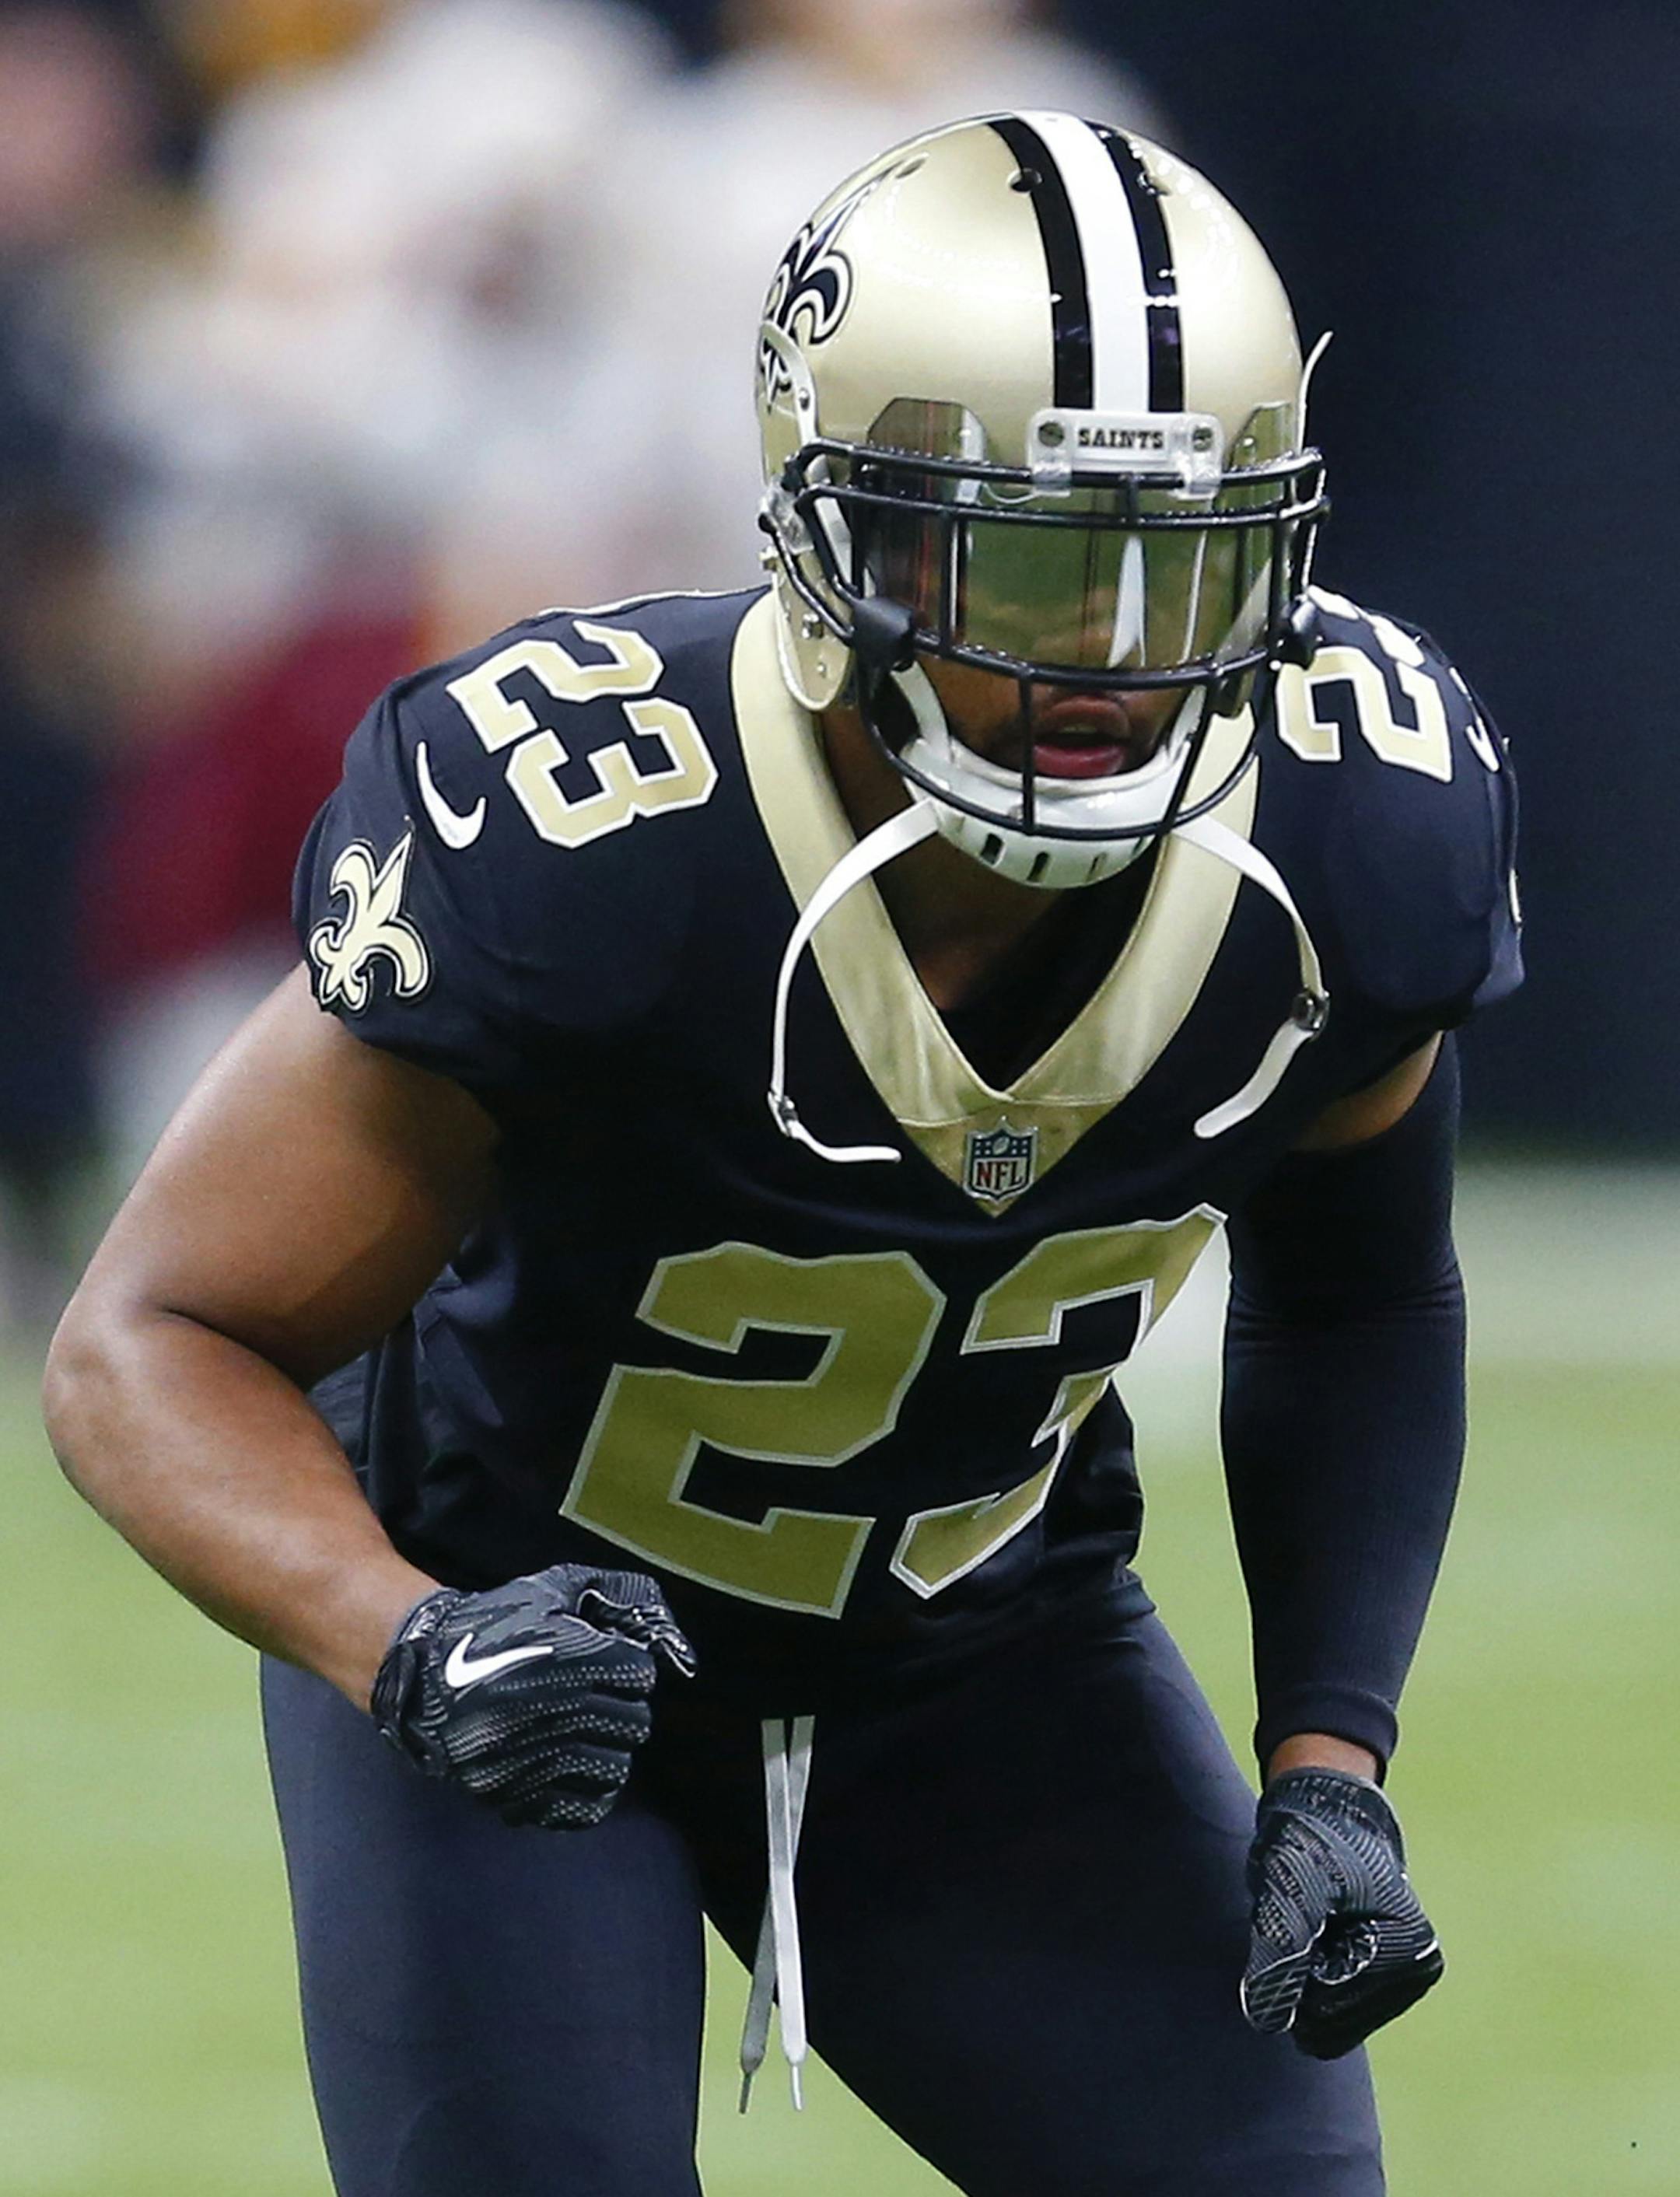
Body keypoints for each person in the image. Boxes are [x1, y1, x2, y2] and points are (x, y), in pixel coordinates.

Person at [44, 114, 1521, 2197]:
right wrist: (406, 1639)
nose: (1108, 657)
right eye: (1026, 562)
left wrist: (1330, 1760)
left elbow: (1366, 1286)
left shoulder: (1355, 824)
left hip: (988, 1652)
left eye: (1175, 563)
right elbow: (151, 1336)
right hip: (516, 1632)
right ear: (834, 535)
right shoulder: (596, 837)